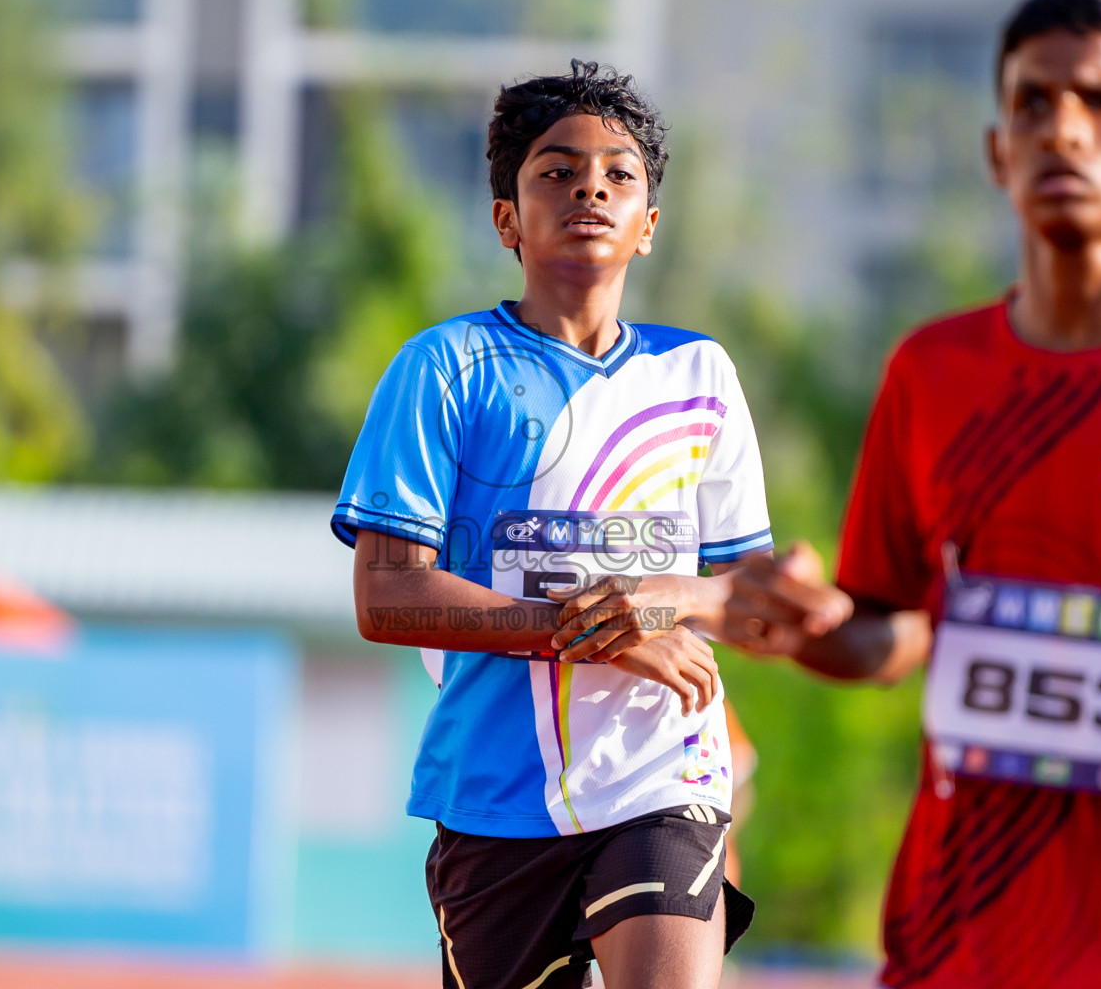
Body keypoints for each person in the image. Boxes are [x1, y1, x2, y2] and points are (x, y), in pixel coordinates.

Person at [726, 0, 1101, 988]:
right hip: (961, 946)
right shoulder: (932, 374)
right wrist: (807, 621)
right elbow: (896, 628)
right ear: (997, 151)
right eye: (1032, 102)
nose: (1062, 129)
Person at [332, 60, 837, 989]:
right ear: (507, 219)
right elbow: (387, 595)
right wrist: (594, 636)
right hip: (495, 798)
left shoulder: (700, 378)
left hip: (663, 775)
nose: (590, 189)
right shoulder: (443, 368)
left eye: (618, 174)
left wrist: (666, 602)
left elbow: (750, 608)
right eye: (556, 173)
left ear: (648, 225)